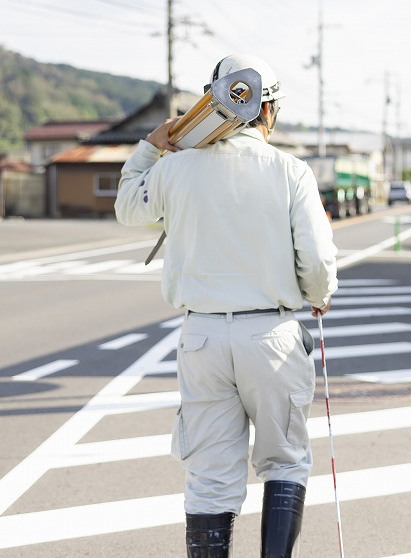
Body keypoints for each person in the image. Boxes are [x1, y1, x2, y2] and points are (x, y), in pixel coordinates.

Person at [115, 54, 338, 558]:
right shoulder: (290, 171)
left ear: (211, 104)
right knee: (284, 462)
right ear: (269, 111)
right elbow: (319, 259)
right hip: (272, 335)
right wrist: (318, 294)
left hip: (203, 337)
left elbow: (128, 206)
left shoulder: (176, 169)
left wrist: (152, 145)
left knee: (211, 476)